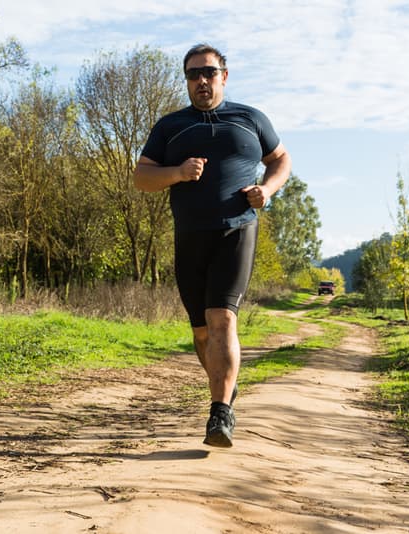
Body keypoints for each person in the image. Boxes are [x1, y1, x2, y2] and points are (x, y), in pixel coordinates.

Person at [133, 43, 292, 448]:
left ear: (224, 75)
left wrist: (268, 190)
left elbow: (281, 159)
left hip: (237, 229)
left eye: (208, 72)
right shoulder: (171, 126)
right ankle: (225, 385)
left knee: (222, 318)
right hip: (190, 235)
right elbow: (142, 178)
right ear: (186, 80)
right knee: (202, 331)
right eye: (192, 74)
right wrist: (179, 172)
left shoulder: (250, 119)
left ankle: (220, 413)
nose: (201, 80)